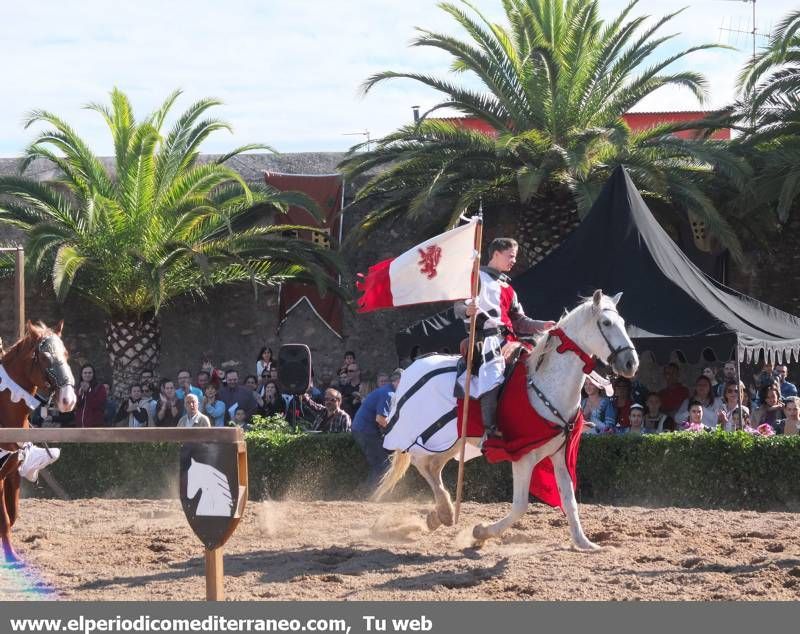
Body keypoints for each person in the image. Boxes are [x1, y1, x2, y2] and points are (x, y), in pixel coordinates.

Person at [454, 237, 555, 438]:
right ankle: (489, 431)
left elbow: (520, 321)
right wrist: (468, 311)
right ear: (496, 254)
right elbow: (458, 305)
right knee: (493, 373)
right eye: (511, 256)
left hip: (509, 339)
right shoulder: (478, 277)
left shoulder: (508, 287)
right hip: (486, 340)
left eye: (515, 257)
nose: (513, 261)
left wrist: (542, 325)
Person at [351, 369, 402, 490]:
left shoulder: (387, 391)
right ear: (398, 382)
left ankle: (369, 493)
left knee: (381, 463)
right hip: (366, 431)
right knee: (382, 465)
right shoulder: (388, 394)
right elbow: (380, 419)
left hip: (364, 430)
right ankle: (370, 495)